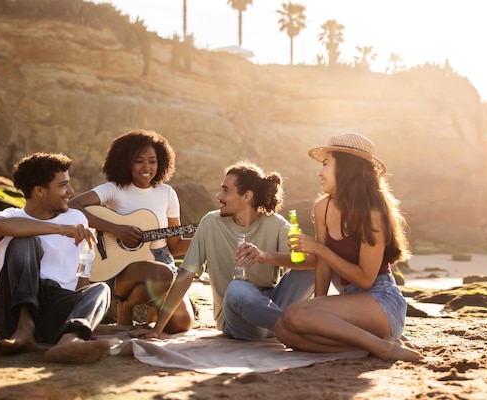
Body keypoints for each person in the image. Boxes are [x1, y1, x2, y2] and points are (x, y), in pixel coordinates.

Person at [274, 133, 423, 362]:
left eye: (325, 165)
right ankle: (372, 345)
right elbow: (323, 266)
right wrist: (318, 304)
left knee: (295, 313)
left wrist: (319, 249)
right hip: (349, 302)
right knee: (285, 330)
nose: (319, 173)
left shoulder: (372, 214)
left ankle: (384, 347)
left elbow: (364, 279)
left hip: (381, 300)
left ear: (346, 169)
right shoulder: (322, 207)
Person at [130, 160, 316, 340]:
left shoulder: (276, 224)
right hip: (237, 321)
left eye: (225, 190)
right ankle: (295, 328)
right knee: (237, 288)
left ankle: (297, 324)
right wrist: (158, 329)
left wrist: (266, 257)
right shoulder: (211, 223)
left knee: (318, 264)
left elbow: (308, 262)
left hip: (271, 309)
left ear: (247, 196)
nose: (218, 196)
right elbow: (186, 274)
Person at [0, 152, 112, 364]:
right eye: (63, 185)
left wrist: (80, 309)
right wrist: (60, 229)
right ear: (39, 191)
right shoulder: (10, 216)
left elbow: (83, 270)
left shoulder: (77, 218)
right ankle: (24, 328)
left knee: (101, 289)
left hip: (55, 311)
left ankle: (69, 339)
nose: (70, 191)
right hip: (10, 314)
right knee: (24, 241)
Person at [68, 129, 195, 333]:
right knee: (161, 273)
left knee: (182, 325)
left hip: (161, 259)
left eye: (152, 161)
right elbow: (73, 205)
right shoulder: (114, 189)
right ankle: (126, 306)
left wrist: (205, 239)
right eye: (139, 160)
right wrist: (115, 229)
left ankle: (137, 306)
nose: (147, 167)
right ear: (126, 161)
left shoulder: (167, 193)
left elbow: (176, 245)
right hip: (125, 266)